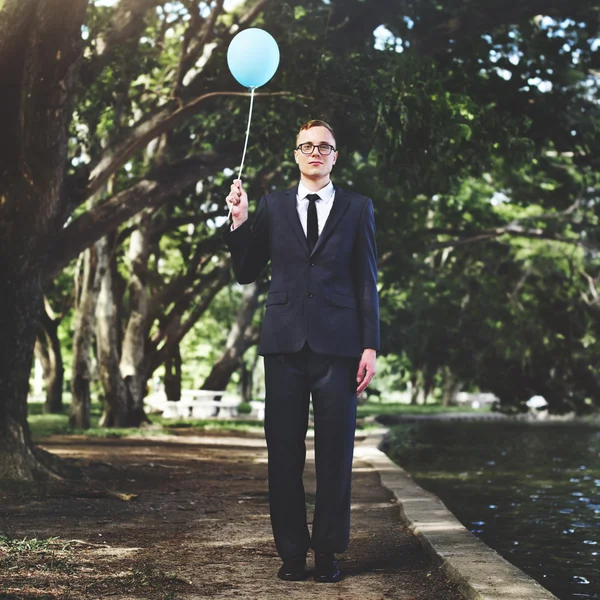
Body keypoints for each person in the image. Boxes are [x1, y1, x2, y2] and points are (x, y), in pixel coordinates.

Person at [225, 119, 379, 583]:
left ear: (336, 155)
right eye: (307, 146)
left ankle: (328, 553)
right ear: (295, 154)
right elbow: (246, 271)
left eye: (324, 147)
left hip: (340, 347)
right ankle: (291, 554)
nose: (315, 152)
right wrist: (240, 220)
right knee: (283, 453)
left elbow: (366, 280)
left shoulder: (358, 207)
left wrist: (370, 344)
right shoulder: (272, 205)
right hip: (284, 345)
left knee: (336, 455)